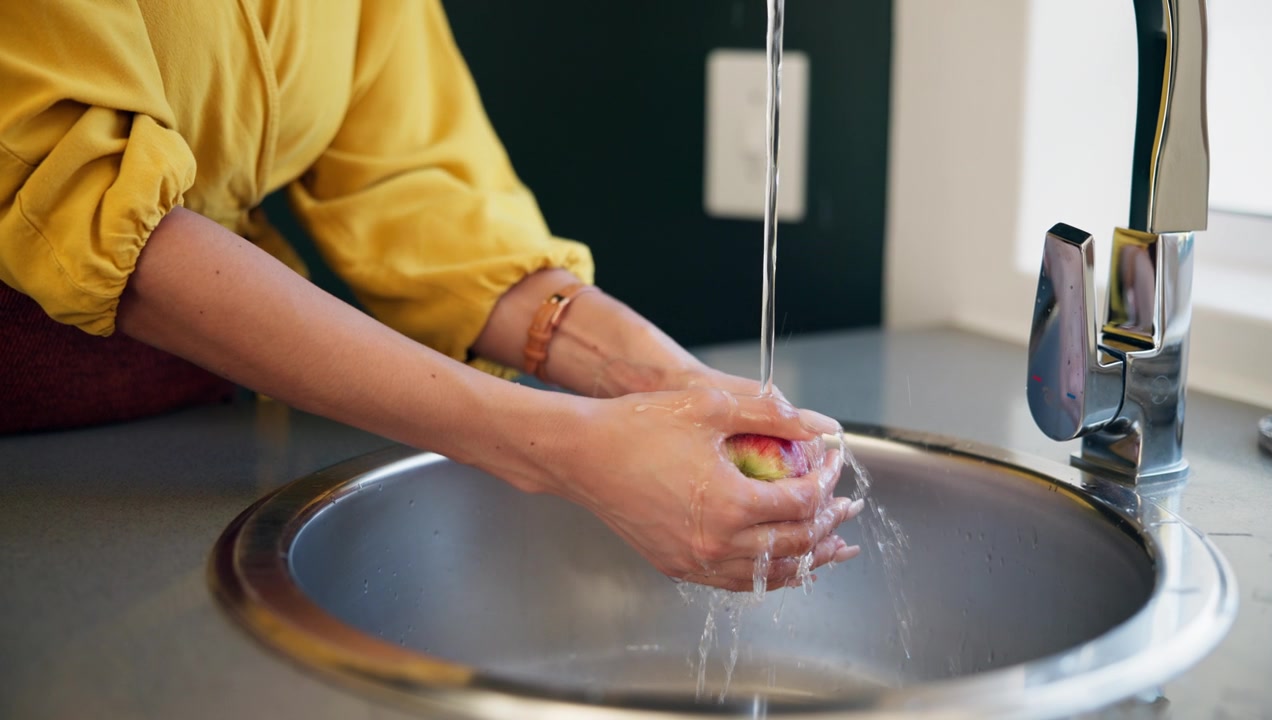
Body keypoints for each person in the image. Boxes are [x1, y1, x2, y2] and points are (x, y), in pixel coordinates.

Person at [0, 1, 861, 591]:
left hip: (196, 426)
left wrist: (672, 385)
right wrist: (563, 447)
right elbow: (81, 197)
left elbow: (413, 188)